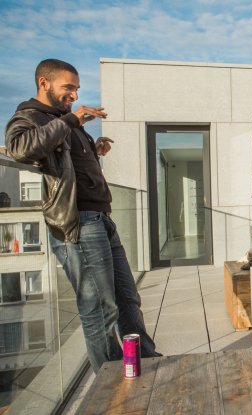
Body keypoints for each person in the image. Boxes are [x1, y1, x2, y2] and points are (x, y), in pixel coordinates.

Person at [5, 59, 160, 373]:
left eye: (76, 89)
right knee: (100, 309)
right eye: (68, 88)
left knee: (127, 300)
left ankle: (147, 363)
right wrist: (73, 121)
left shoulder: (60, 119)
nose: (74, 96)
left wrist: (94, 150)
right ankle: (112, 381)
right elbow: (20, 147)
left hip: (101, 219)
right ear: (43, 83)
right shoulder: (31, 115)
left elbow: (65, 162)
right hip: (77, 223)